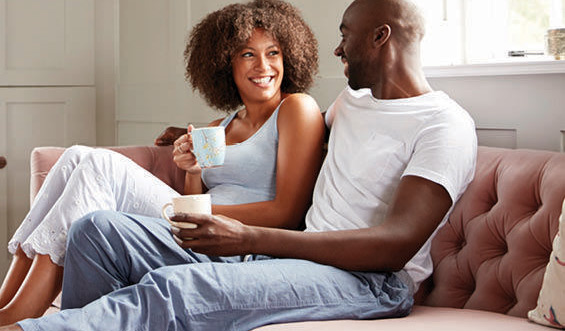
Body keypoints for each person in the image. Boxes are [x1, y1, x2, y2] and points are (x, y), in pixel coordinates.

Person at [1, 0, 478, 329]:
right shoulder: (352, 105)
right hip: (296, 255)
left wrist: (248, 235)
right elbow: (273, 136)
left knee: (180, 287)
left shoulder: (445, 126)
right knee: (97, 231)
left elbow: (396, 246)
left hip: (370, 282)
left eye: (345, 37)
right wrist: (184, 141)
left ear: (381, 37)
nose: (338, 50)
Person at [0, 0, 324, 325]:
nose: (263, 66)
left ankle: (21, 313)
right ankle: (5, 301)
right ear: (226, 63)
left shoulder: (296, 109)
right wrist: (192, 171)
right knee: (74, 158)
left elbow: (287, 212)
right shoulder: (218, 127)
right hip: (194, 224)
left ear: (289, 56)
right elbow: (196, 192)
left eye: (273, 53)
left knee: (98, 165)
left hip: (233, 239)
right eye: (248, 54)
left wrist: (196, 214)